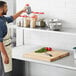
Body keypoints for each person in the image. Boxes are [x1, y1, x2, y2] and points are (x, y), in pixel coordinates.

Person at [0, 1, 26, 76]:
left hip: (6, 49)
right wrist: (5, 56)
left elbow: (12, 18)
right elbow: (0, 42)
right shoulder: (0, 23)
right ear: (1, 8)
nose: (7, 9)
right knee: (6, 73)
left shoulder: (2, 18)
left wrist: (22, 11)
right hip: (3, 52)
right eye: (6, 7)